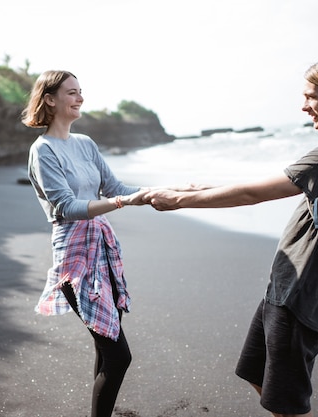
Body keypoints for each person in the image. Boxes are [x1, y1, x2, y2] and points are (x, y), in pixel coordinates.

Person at [144, 53, 318, 417]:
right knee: (257, 373)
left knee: (287, 403)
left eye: (311, 96)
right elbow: (271, 183)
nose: (304, 106)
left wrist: (180, 201)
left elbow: (255, 195)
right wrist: (201, 188)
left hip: (303, 290)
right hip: (288, 285)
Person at [21, 70, 192, 416]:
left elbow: (117, 188)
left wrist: (162, 191)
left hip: (103, 249)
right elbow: (67, 207)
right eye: (71, 92)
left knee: (107, 343)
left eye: (81, 91)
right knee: (119, 355)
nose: (80, 97)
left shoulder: (85, 144)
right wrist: (120, 203)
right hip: (74, 257)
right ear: (50, 99)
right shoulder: (43, 150)